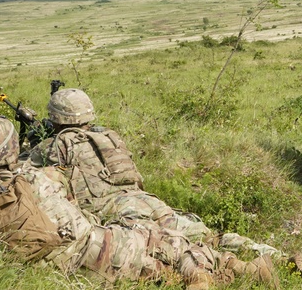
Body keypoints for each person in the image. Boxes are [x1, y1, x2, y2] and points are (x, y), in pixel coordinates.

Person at [0, 117, 278, 290]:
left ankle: (212, 277)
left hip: (66, 267)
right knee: (166, 244)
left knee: (158, 254)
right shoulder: (40, 175)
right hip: (99, 246)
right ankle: (241, 269)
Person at [29, 88, 214, 243]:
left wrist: (32, 143)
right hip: (144, 199)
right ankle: (238, 244)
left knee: (166, 243)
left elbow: (24, 172)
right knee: (201, 234)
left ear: (55, 117)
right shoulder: (108, 135)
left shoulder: (56, 145)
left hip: (117, 211)